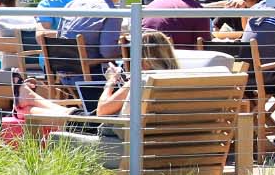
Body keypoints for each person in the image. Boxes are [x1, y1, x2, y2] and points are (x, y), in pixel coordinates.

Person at [16, 30, 178, 120]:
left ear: (145, 58)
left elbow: (102, 110)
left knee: (36, 111)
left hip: (110, 132)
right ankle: (29, 98)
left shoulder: (141, 79)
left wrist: (111, 82)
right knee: (70, 112)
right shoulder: (176, 78)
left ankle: (28, 101)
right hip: (148, 135)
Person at [58, 0, 129, 110]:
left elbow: (59, 35)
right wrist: (127, 50)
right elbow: (108, 53)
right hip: (87, 76)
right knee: (130, 80)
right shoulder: (110, 12)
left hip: (61, 72)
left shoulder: (73, 3)